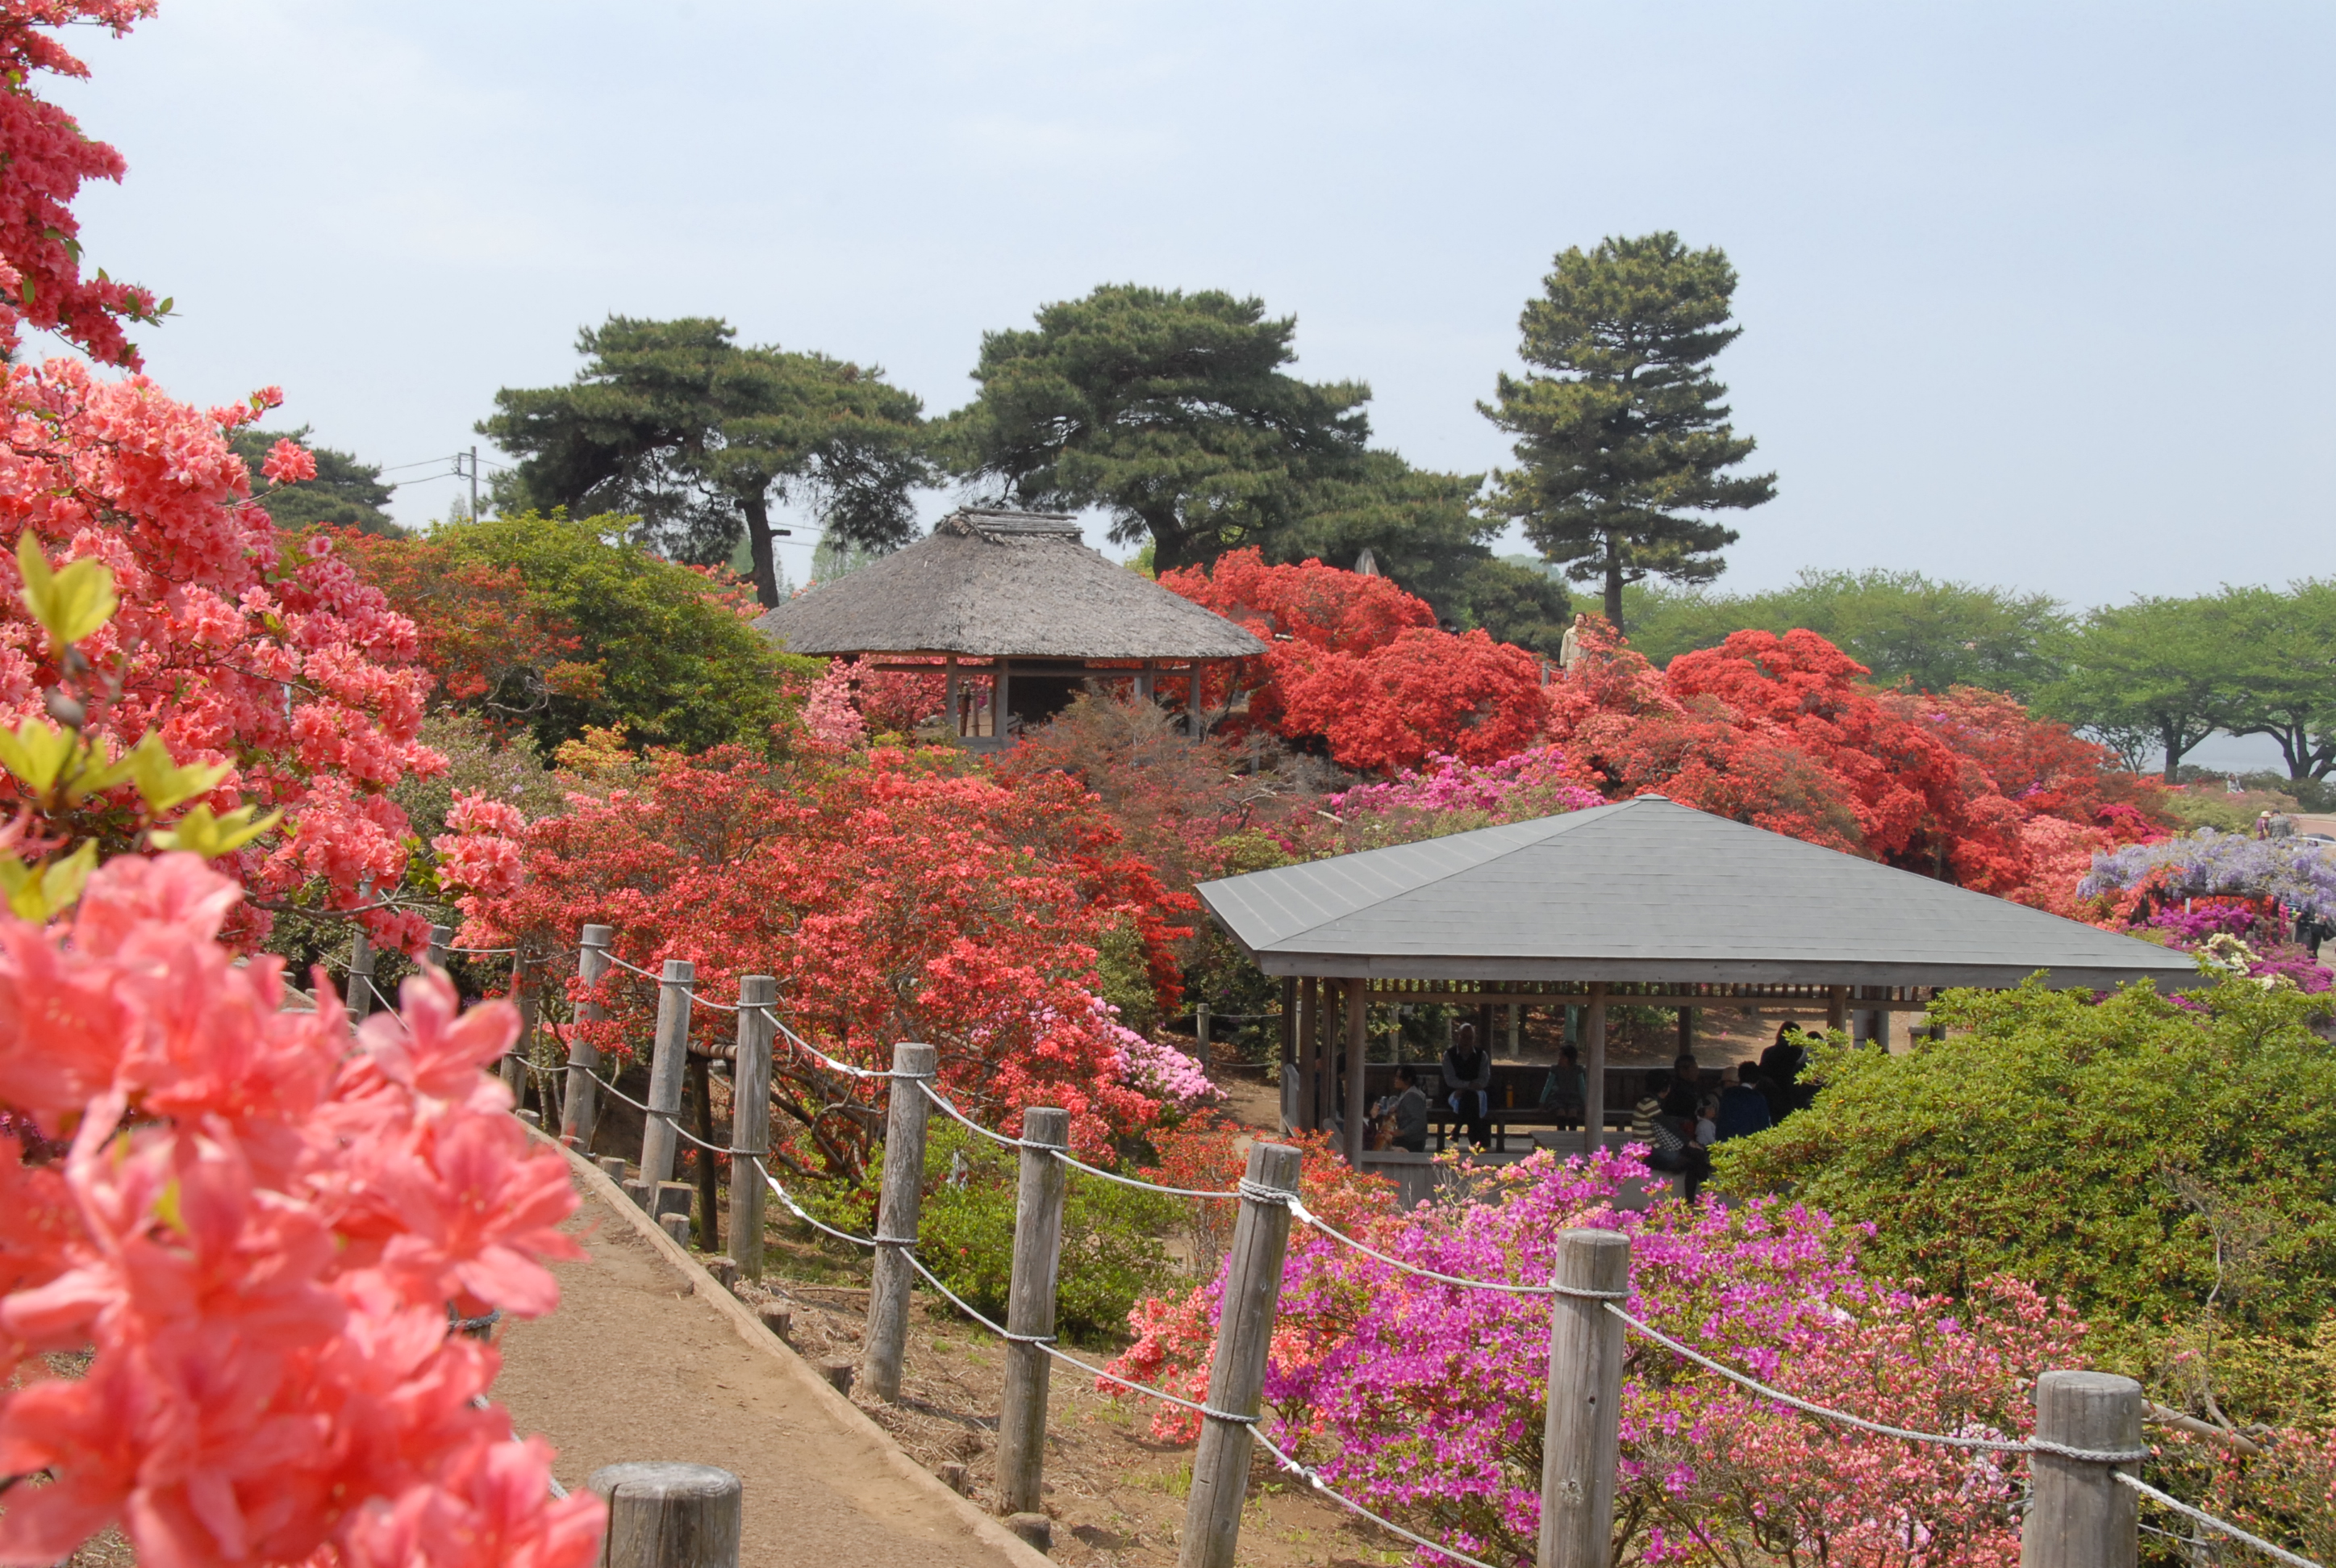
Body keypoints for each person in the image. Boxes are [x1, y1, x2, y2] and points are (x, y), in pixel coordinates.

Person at [1629, 1070, 1709, 1200]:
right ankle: (1703, 1197)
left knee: (1696, 1157)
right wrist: (1688, 1141)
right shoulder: (1650, 1103)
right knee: (1696, 1161)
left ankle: (1698, 1198)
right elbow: (1667, 1125)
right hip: (1651, 1153)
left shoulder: (1646, 1102)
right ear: (1666, 1088)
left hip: (1652, 1149)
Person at [1441, 1022, 1492, 1147]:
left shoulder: (1482, 1055)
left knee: (1470, 1097)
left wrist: (1467, 1088)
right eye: (1464, 1036)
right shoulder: (1449, 1055)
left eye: (1470, 1037)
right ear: (1458, 1036)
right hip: (1455, 1092)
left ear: (1474, 1039)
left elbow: (1484, 1079)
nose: (1466, 1040)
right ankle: (1476, 1139)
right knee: (1469, 1098)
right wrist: (1469, 1085)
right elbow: (1450, 1080)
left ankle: (1458, 1129)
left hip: (1477, 1093)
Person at [1373, 1064, 1429, 1153]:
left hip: (1413, 1141)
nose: (1395, 1080)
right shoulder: (1405, 1093)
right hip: (1408, 1138)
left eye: (1399, 1077)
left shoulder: (1412, 1096)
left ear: (1408, 1079)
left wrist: (1403, 1132)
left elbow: (1420, 1121)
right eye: (1396, 1076)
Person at [1758, 1024, 1807, 1121]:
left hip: (1771, 1102)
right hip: (1793, 1102)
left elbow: (1762, 1074)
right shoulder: (1800, 1054)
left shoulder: (1769, 1052)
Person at [1715, 1062, 1773, 1141]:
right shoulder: (1758, 1098)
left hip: (1725, 1143)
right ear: (1758, 1080)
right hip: (1747, 1145)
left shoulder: (1727, 1094)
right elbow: (1764, 1126)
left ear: (1739, 1077)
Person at [1539, 1043, 1586, 1129]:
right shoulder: (1555, 1070)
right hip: (1557, 1098)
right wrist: (1542, 1102)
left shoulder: (1578, 1070)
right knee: (1560, 1112)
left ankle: (1572, 1136)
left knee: (1573, 1112)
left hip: (1573, 1098)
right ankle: (1561, 1134)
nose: (1559, 1060)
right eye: (1559, 1057)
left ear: (1570, 1059)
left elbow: (1582, 1088)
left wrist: (1586, 1103)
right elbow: (1548, 1086)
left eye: (1563, 1058)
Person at [1659, 1053, 1702, 1120]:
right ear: (1682, 1071)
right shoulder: (1677, 1091)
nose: (1697, 1072)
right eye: (1694, 1069)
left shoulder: (1692, 1087)